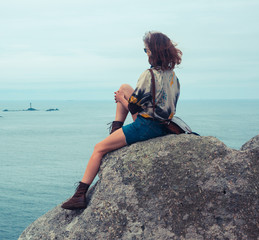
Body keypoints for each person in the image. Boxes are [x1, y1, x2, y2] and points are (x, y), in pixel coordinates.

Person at [61, 31, 182, 210]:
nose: (146, 53)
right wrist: (123, 95)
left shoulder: (149, 74)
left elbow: (132, 107)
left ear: (154, 52)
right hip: (163, 126)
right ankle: (116, 131)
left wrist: (120, 99)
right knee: (124, 87)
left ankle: (80, 195)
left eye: (146, 50)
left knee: (99, 148)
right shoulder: (173, 77)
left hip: (146, 126)